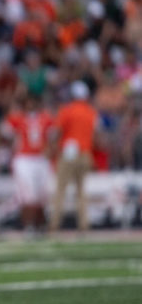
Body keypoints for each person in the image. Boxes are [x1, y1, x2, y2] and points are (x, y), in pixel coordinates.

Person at [49, 81, 98, 231]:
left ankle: (54, 224)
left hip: (68, 154)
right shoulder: (91, 112)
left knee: (60, 190)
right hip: (85, 153)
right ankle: (84, 224)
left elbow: (56, 131)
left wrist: (51, 147)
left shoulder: (67, 110)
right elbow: (96, 135)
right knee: (81, 190)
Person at [4, 95, 54, 232]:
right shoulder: (17, 118)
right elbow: (4, 134)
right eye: (29, 103)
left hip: (40, 158)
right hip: (24, 158)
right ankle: (28, 225)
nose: (31, 106)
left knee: (41, 194)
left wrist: (50, 149)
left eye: (34, 102)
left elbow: (53, 137)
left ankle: (40, 224)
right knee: (28, 194)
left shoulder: (46, 118)